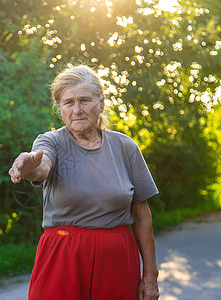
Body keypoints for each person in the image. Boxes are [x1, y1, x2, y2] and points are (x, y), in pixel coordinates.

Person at [8, 65, 160, 300]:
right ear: (59, 108)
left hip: (117, 261)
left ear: (101, 103)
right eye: (68, 102)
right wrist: (29, 165)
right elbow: (42, 165)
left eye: (85, 100)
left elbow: (142, 215)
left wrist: (150, 277)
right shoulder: (51, 142)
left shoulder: (125, 147)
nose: (77, 110)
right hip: (62, 258)